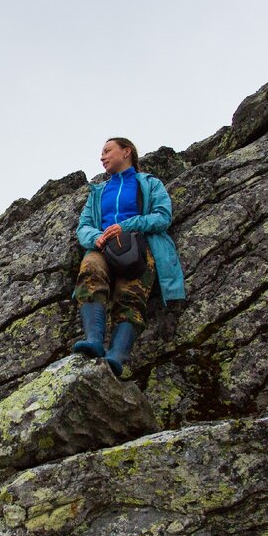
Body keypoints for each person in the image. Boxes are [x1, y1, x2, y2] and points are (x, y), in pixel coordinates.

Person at [72, 137, 186, 376]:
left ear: (126, 152)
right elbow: (83, 225)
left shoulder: (149, 184)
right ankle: (94, 341)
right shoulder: (98, 192)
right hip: (103, 248)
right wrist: (95, 237)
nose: (102, 157)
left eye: (107, 151)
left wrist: (127, 225)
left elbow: (163, 216)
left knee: (131, 295)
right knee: (90, 268)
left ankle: (117, 355)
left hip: (139, 247)